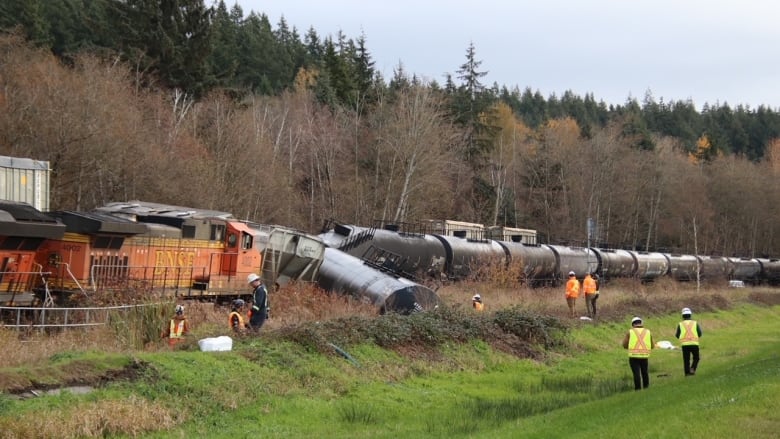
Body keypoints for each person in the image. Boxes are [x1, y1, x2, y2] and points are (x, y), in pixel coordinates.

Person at [622, 316, 655, 390]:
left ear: (633, 324)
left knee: (636, 374)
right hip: (644, 356)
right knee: (645, 372)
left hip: (633, 356)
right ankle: (646, 388)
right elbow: (652, 345)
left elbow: (624, 345)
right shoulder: (647, 332)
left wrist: (630, 347)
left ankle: (638, 389)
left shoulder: (630, 332)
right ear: (641, 323)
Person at [676, 307, 702, 376]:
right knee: (696, 358)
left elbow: (677, 335)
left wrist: (683, 339)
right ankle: (692, 368)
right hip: (694, 343)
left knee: (686, 360)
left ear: (682, 316)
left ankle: (687, 374)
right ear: (690, 315)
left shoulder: (680, 324)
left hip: (685, 345)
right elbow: (700, 333)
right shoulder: (695, 323)